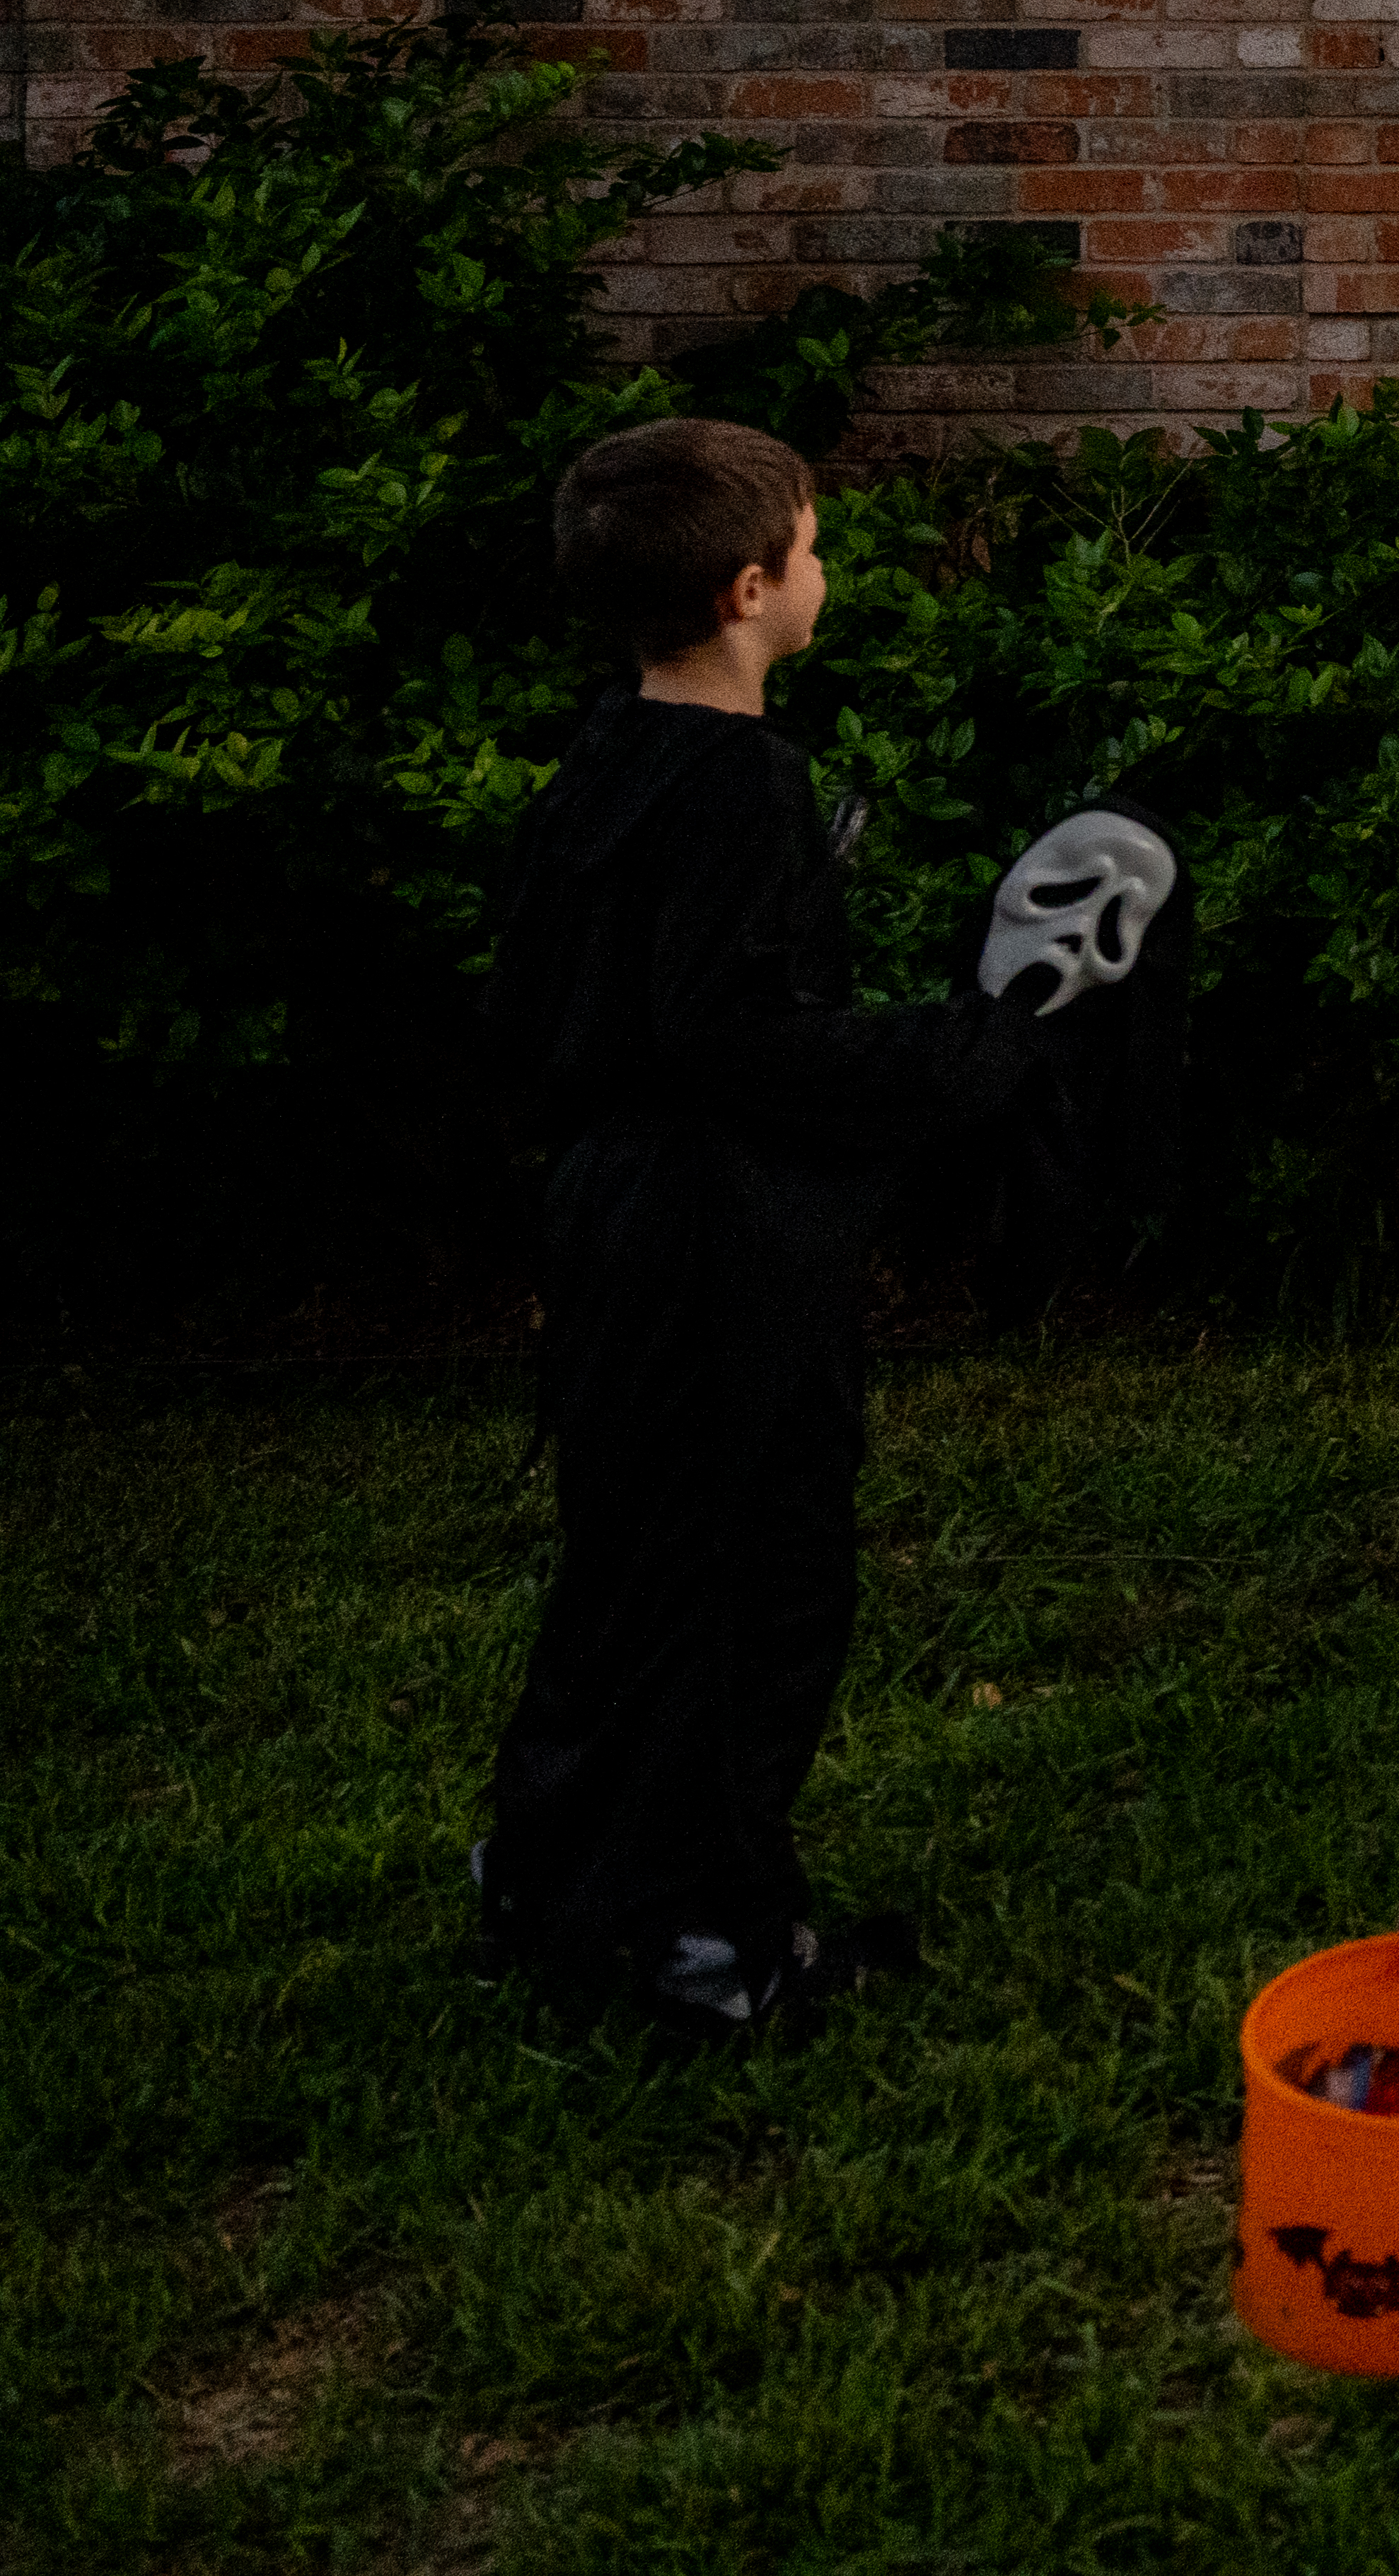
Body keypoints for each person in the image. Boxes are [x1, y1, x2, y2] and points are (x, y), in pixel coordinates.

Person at [475, 416, 1092, 2040]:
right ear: (751, 589)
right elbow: (738, 1039)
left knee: (629, 1558)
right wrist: (965, 1050)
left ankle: (548, 1870)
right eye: (811, 550)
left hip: (608, 1223)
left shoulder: (599, 761)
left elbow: (585, 1015)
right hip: (717, 1243)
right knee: (757, 1577)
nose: (825, 569)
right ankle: (708, 1936)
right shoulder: (741, 788)